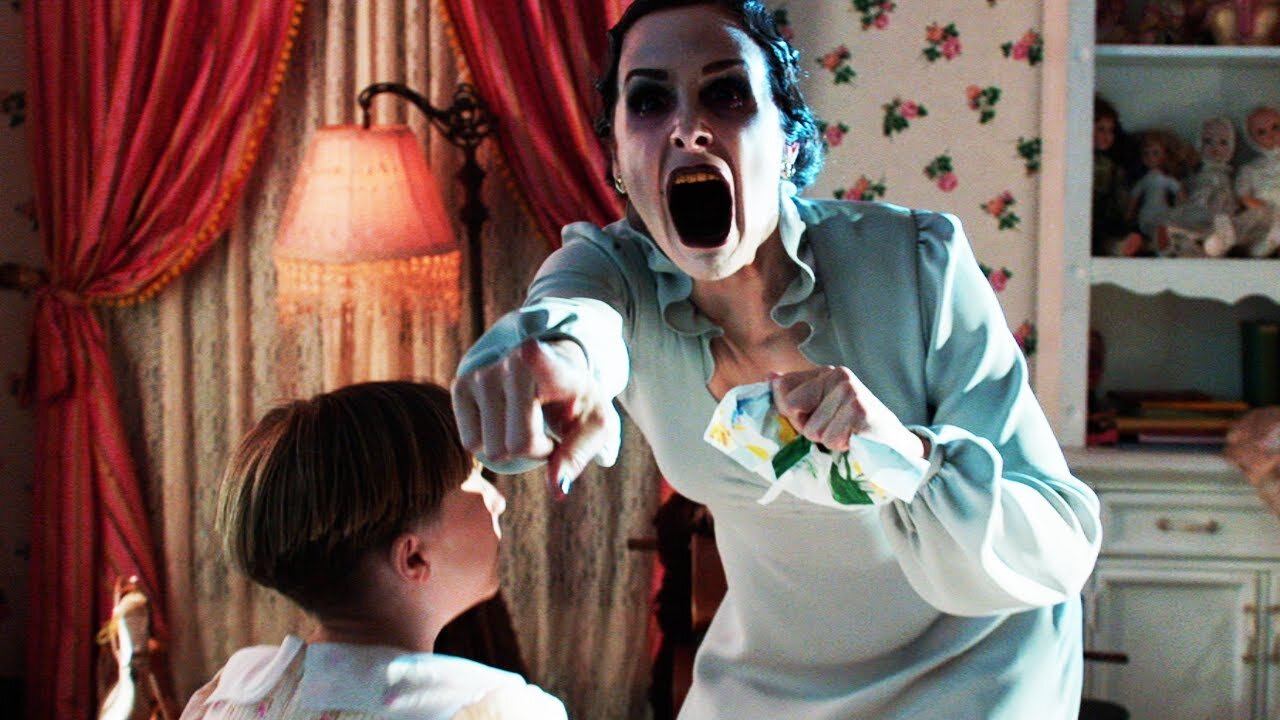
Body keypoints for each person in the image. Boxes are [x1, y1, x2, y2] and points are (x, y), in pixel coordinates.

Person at [450, 1, 1102, 717]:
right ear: (617, 161)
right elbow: (569, 318)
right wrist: (560, 362)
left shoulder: (921, 264)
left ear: (789, 142)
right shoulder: (612, 272)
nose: (687, 127)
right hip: (773, 679)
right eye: (650, 101)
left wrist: (905, 455)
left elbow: (1060, 541)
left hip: (976, 666)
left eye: (727, 93)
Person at [180, 381, 566, 720]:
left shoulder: (233, 690)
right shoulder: (493, 708)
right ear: (413, 557)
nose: (498, 501)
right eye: (475, 478)